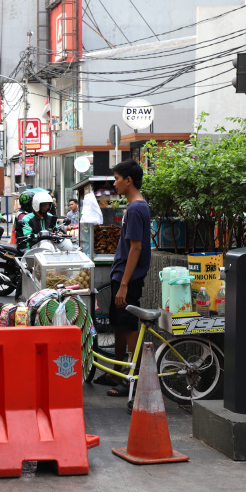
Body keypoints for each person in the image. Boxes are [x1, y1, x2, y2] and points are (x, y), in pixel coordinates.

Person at [99, 160, 151, 397]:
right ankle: (117, 372)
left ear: (128, 180)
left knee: (129, 328)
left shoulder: (136, 208)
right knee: (119, 325)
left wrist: (123, 284)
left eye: (117, 178)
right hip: (122, 277)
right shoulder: (134, 207)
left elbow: (136, 248)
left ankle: (134, 380)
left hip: (127, 280)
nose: (114, 183)